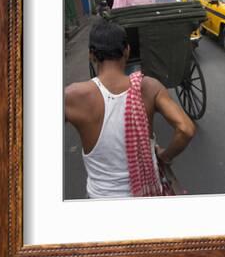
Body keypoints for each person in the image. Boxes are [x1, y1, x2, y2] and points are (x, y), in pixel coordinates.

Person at [64, 19, 196, 198]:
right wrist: (165, 156)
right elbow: (186, 129)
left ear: (91, 55)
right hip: (147, 195)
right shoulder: (149, 87)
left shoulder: (72, 96)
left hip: (100, 199)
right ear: (127, 50)